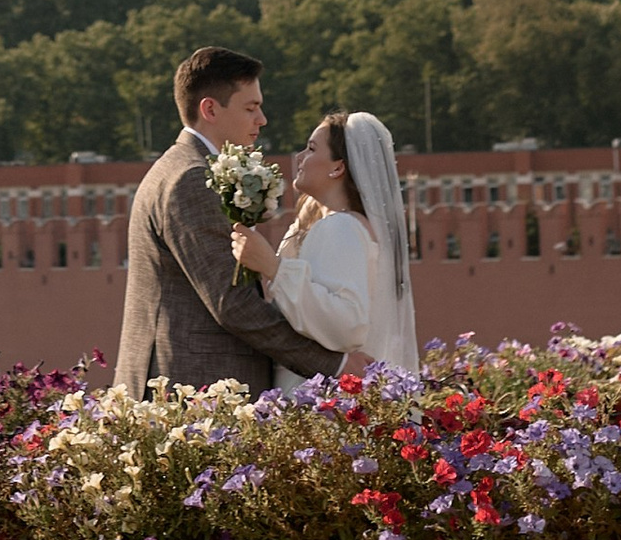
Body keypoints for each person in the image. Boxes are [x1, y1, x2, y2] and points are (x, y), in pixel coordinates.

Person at [117, 47, 340, 396]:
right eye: (250, 108)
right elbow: (232, 305)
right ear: (210, 109)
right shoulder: (190, 179)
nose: (262, 119)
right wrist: (334, 366)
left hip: (190, 385)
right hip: (191, 389)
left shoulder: (183, 167)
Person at [234, 110, 423, 386]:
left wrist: (273, 268)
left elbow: (346, 325)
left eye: (311, 149)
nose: (299, 157)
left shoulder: (340, 227)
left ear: (338, 167)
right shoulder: (343, 225)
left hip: (316, 393)